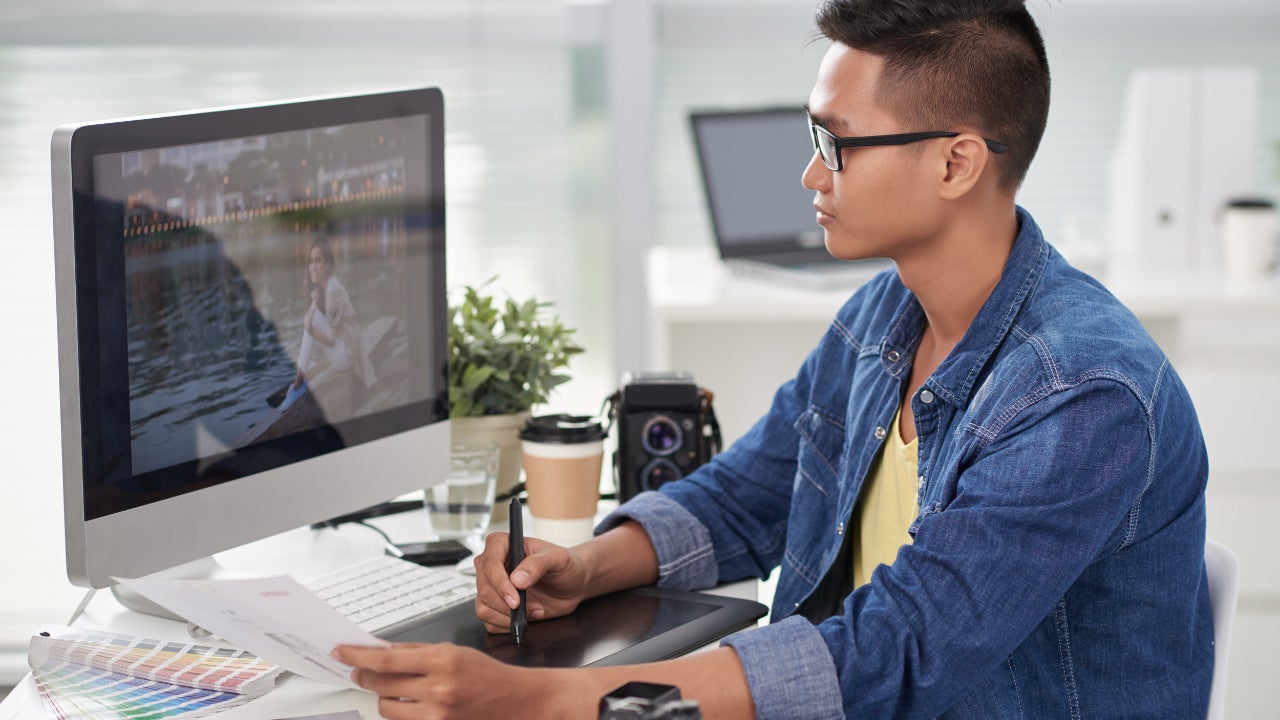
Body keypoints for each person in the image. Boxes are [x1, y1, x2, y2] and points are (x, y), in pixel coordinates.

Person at [333, 1, 1213, 717]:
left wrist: (544, 701)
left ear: (956, 163)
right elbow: (747, 492)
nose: (810, 174)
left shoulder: (1083, 395)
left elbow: (901, 647)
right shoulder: (886, 315)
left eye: (838, 143)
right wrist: (587, 567)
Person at [279, 235, 374, 411]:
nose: (312, 267)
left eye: (318, 261)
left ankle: (298, 383)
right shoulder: (328, 287)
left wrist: (309, 328)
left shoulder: (333, 290)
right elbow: (333, 320)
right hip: (347, 351)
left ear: (328, 264)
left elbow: (330, 339)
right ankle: (299, 380)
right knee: (312, 314)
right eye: (310, 262)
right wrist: (316, 300)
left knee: (311, 318)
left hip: (348, 359)